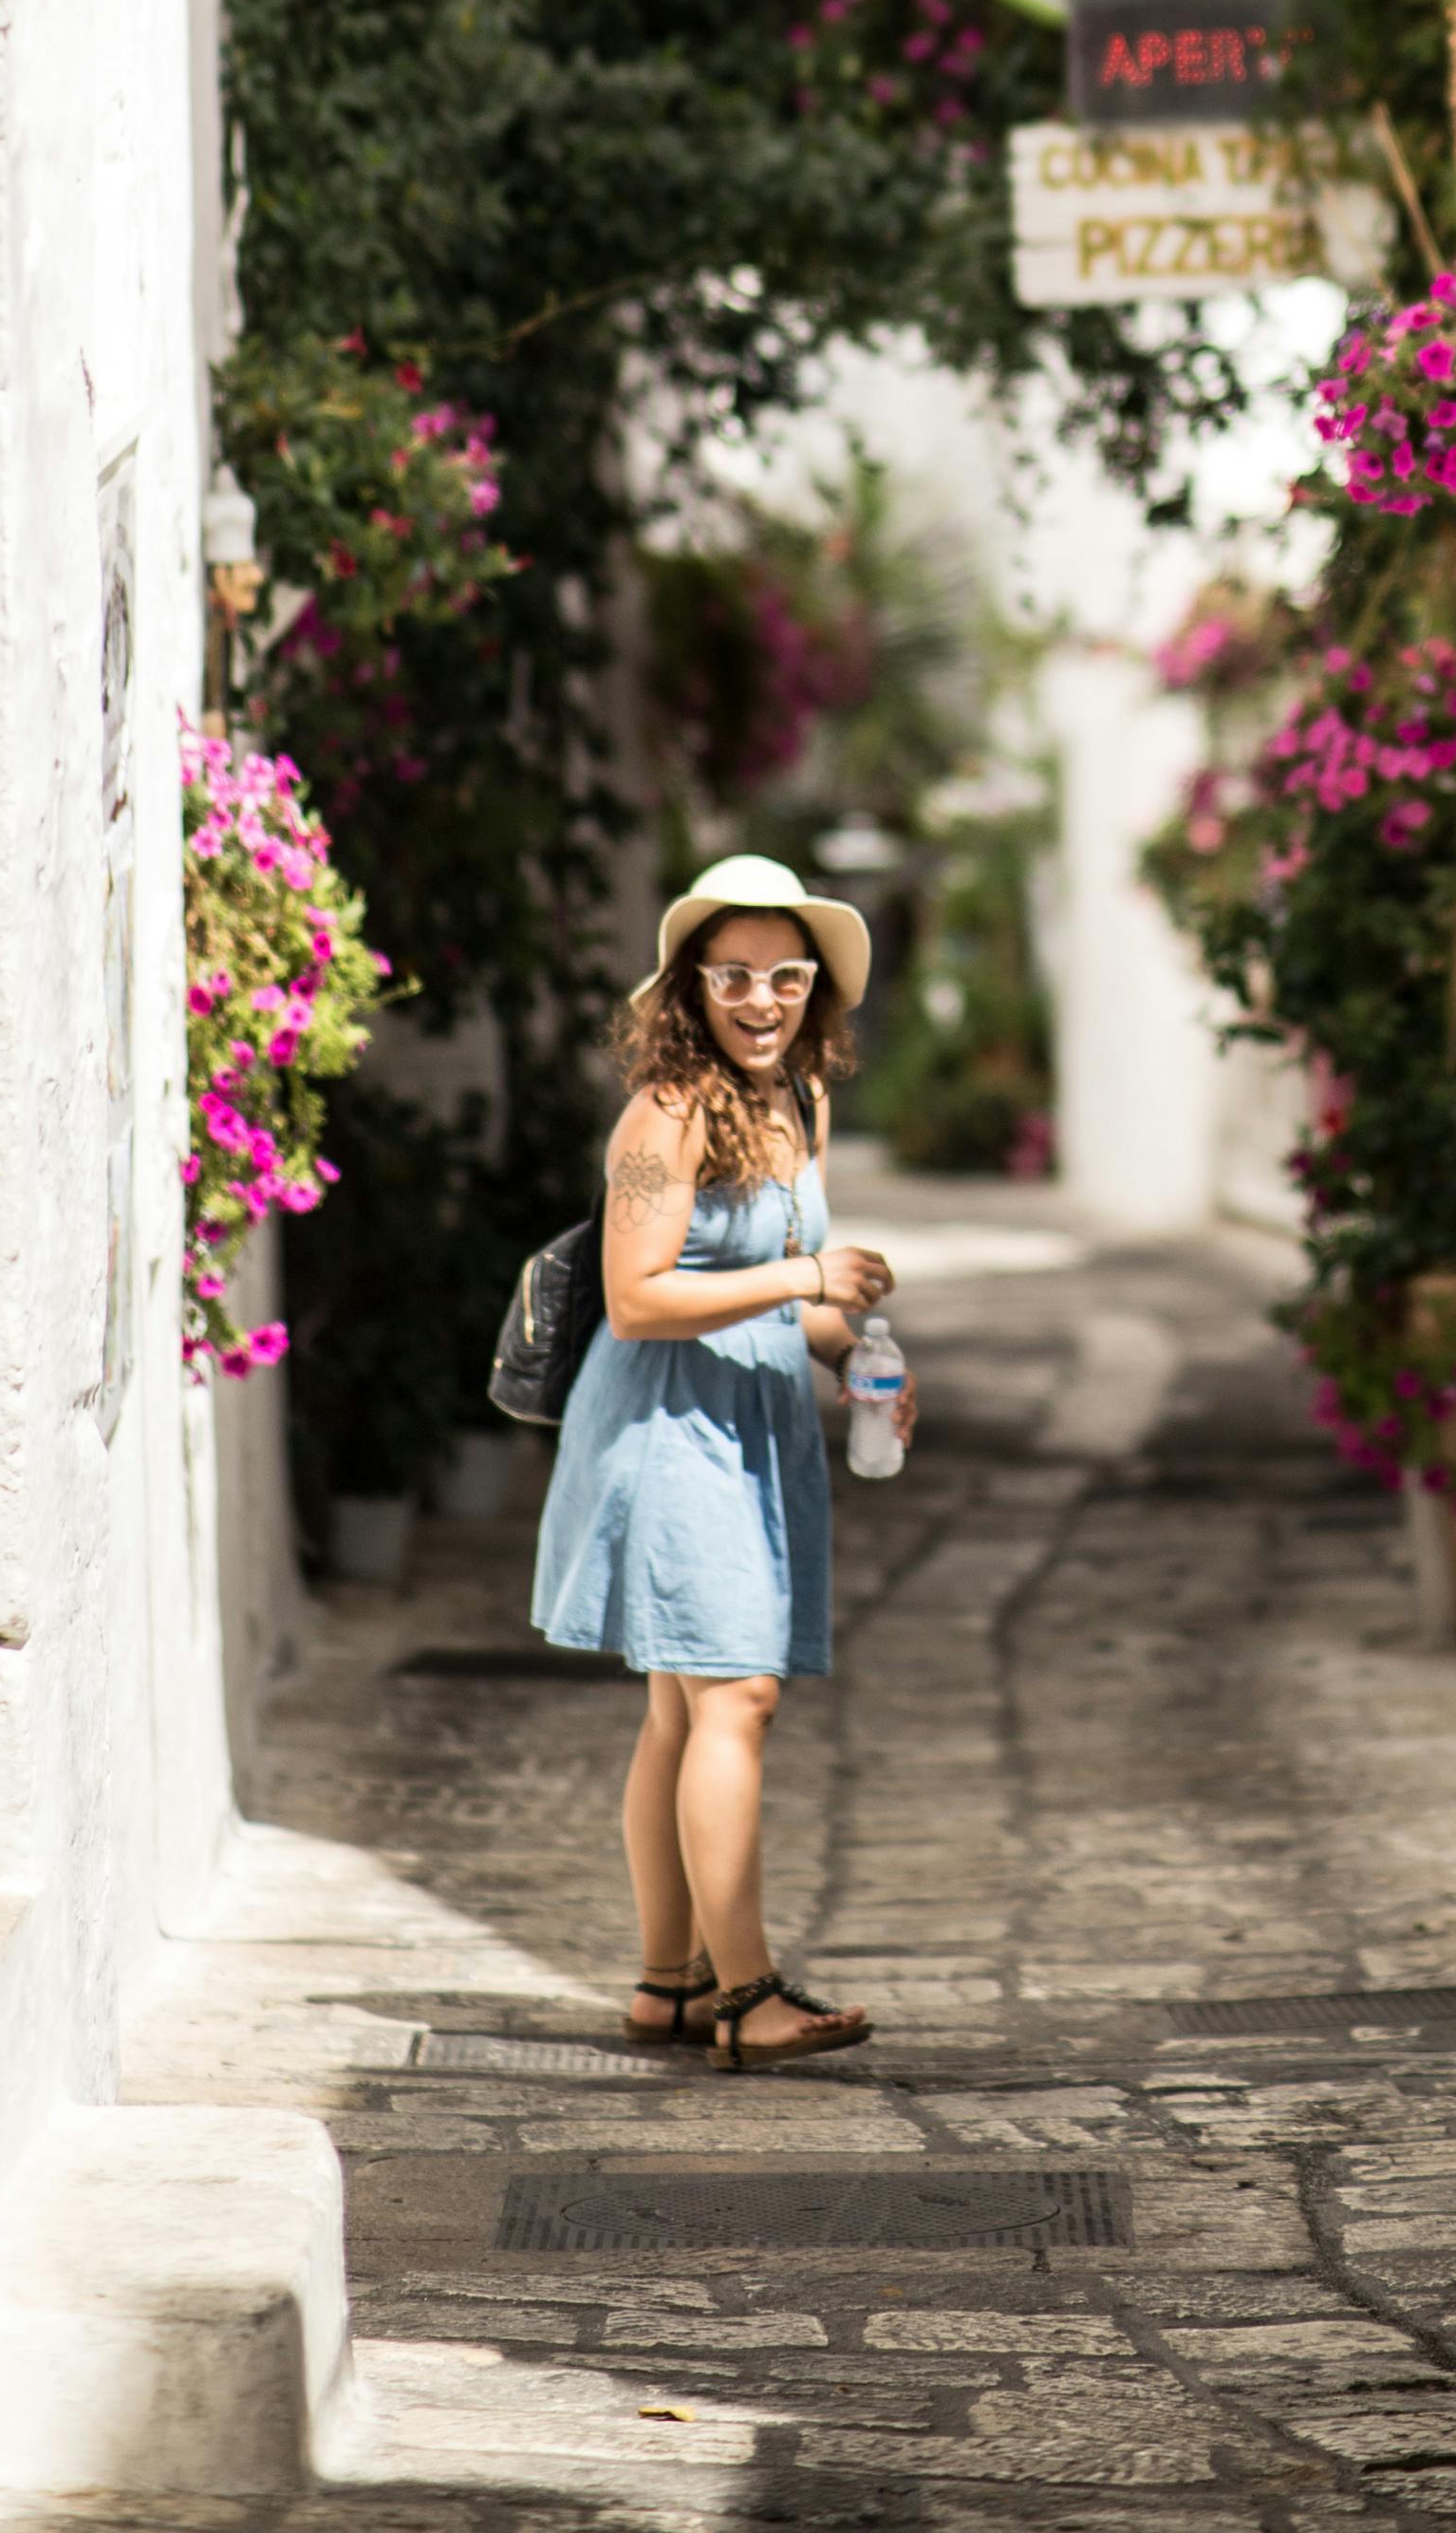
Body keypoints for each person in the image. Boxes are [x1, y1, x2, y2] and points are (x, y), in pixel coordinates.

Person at [531, 848, 918, 2065]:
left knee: (678, 1710)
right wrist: (807, 1275)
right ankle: (748, 1998)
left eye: (788, 978)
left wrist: (850, 1359)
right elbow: (640, 1297)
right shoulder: (666, 1114)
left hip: (750, 1421)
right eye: (735, 977)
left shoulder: (797, 1103)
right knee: (734, 1695)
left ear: (818, 992)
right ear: (689, 986)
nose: (763, 1001)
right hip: (664, 1426)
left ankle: (671, 1986)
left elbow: (782, 1296)